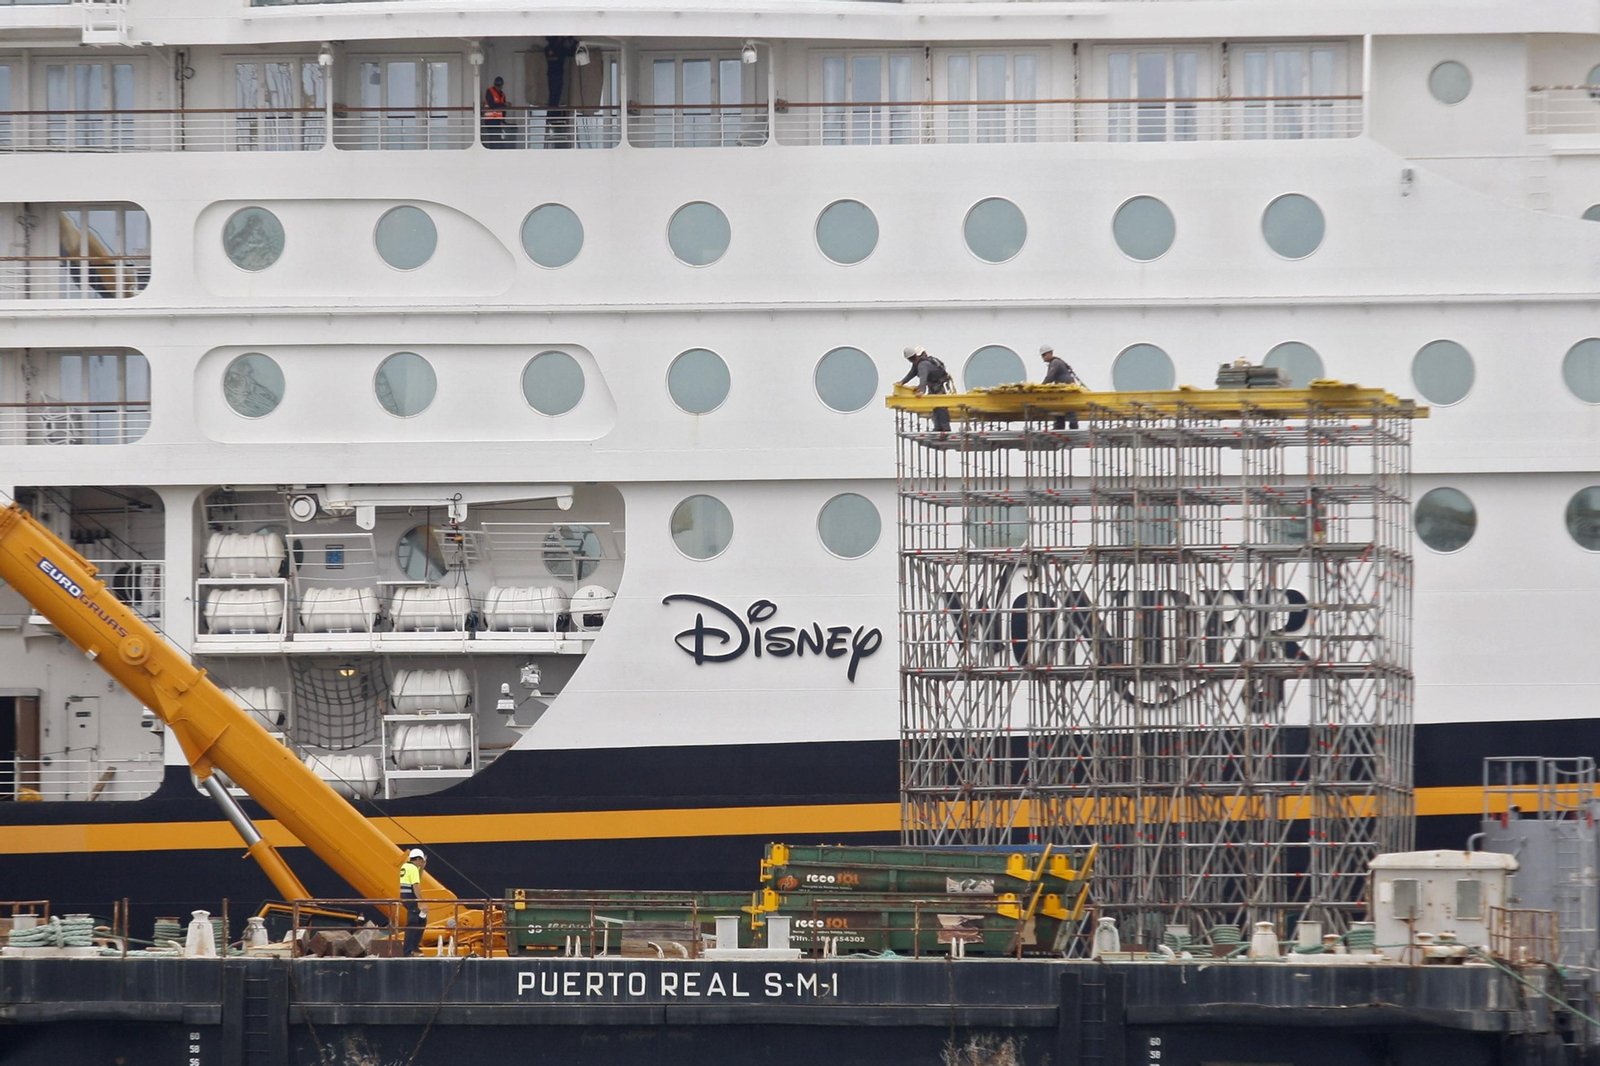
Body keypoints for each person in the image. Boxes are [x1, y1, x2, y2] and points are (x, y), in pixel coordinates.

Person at [900, 346, 952, 433]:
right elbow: (911, 374)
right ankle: (938, 427)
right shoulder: (917, 364)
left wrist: (921, 391)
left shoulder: (922, 365)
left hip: (937, 387)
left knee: (941, 406)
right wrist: (902, 382)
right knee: (934, 406)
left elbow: (923, 378)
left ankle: (945, 428)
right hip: (933, 386)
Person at [1039, 343, 1079, 431]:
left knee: (1070, 412)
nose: (1043, 358)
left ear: (1049, 353)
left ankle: (1073, 431)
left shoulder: (1055, 362)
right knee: (1060, 412)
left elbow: (1050, 377)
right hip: (1064, 391)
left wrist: (1040, 387)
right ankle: (1060, 428)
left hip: (1067, 391)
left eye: (1043, 355)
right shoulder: (1055, 362)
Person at [400, 848, 428, 956]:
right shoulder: (412, 869)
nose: (422, 862)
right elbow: (416, 886)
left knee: (421, 920)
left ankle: (414, 947)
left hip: (405, 898)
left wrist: (422, 868)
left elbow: (417, 879)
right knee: (412, 924)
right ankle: (408, 951)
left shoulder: (405, 866)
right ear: (417, 859)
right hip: (411, 899)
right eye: (421, 860)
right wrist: (422, 903)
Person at [483, 77, 509, 149]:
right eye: (497, 86)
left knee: (498, 136)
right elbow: (492, 105)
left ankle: (498, 150)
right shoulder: (489, 91)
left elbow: (503, 109)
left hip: (498, 119)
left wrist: (503, 120)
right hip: (490, 119)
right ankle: (493, 150)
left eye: (500, 86)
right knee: (493, 137)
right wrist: (504, 104)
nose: (498, 88)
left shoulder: (502, 94)